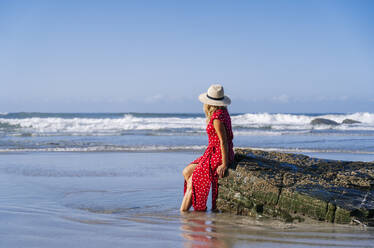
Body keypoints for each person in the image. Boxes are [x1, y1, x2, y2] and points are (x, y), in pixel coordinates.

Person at [180, 84, 234, 211]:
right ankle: (192, 199)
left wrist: (224, 164)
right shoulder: (222, 112)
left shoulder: (217, 118)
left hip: (218, 155)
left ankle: (184, 214)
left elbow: (224, 142)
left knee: (194, 181)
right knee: (187, 171)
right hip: (211, 152)